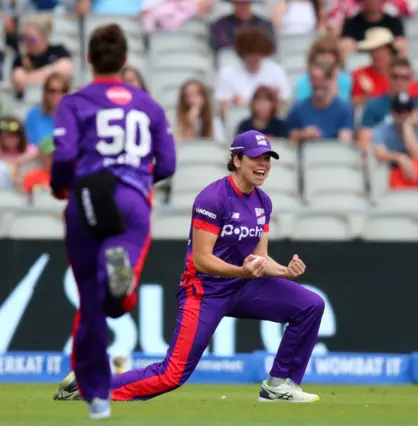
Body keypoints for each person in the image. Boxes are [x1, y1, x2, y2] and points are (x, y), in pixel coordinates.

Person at [54, 129, 325, 404]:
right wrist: (241, 272)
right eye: (256, 157)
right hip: (203, 291)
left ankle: (278, 385)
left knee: (310, 305)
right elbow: (201, 260)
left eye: (268, 158)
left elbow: (259, 258)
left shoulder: (263, 202)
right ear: (238, 160)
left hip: (242, 286)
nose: (264, 164)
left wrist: (284, 271)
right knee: (172, 375)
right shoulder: (212, 198)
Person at [49, 23, 176, 420]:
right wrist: (136, 181)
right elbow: (168, 163)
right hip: (132, 200)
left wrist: (61, 188)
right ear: (125, 60)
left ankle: (98, 396)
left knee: (89, 304)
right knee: (116, 300)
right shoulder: (149, 106)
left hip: (87, 197)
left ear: (89, 57)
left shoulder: (74, 103)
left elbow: (64, 158)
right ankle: (123, 290)